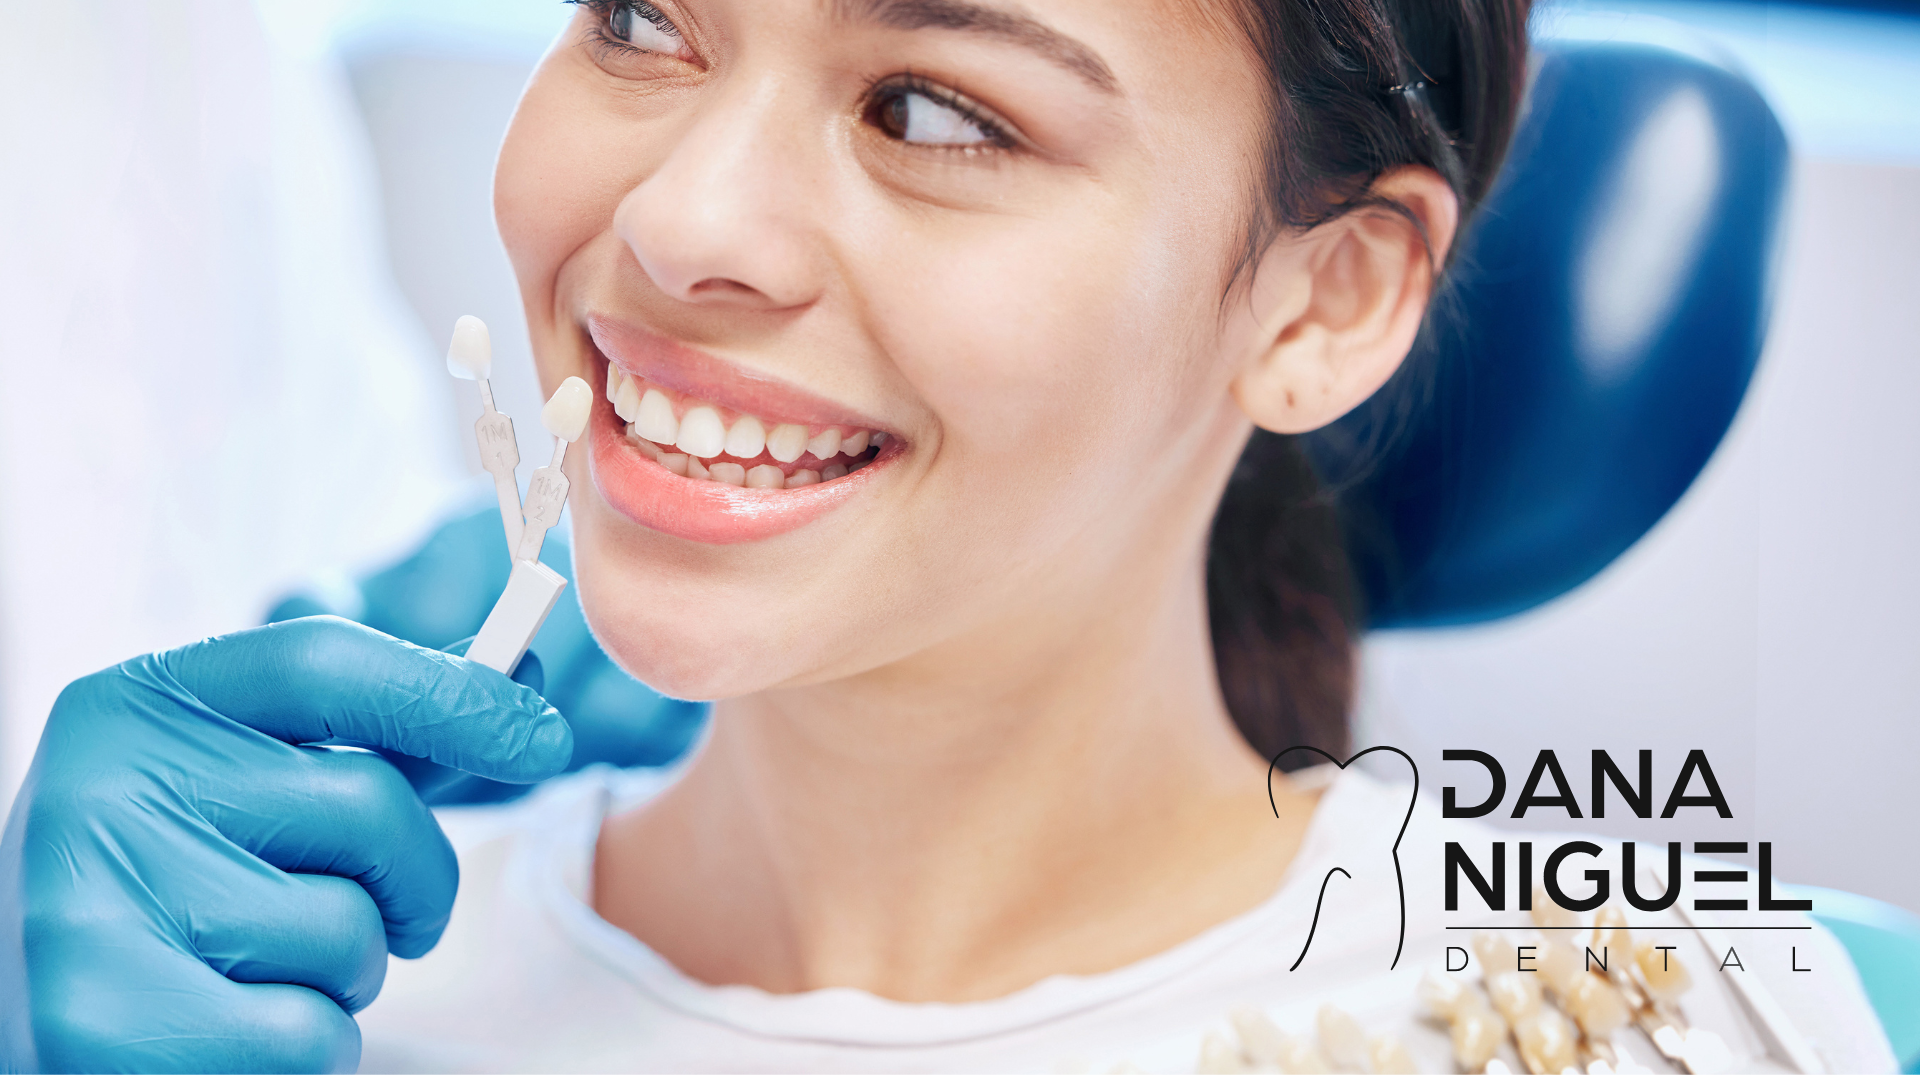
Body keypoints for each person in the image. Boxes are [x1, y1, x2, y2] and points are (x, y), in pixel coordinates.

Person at [0, 0, 1895, 1072]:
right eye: (648, 15)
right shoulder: (298, 1000)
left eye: (932, 110)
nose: (676, 223)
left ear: (1325, 299)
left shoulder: (1656, 1028)